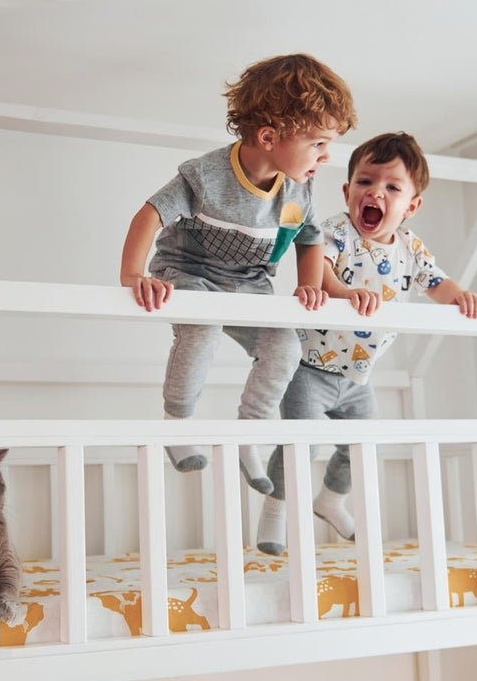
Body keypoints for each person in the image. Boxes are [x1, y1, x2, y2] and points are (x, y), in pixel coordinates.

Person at [119, 54, 356, 494]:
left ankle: (249, 434)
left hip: (249, 283)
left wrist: (309, 283)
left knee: (285, 344)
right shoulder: (207, 176)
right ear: (268, 136)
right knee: (202, 329)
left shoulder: (296, 188)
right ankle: (178, 423)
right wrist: (133, 275)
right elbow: (150, 214)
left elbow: (308, 237)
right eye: (319, 144)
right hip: (190, 270)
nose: (326, 157)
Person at [255, 132, 477, 553]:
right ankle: (275, 511)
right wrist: (343, 293)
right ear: (347, 191)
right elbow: (317, 266)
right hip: (310, 367)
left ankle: (330, 500)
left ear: (411, 206)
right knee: (300, 447)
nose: (375, 192)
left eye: (392, 187)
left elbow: (436, 282)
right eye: (365, 182)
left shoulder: (411, 247)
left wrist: (460, 296)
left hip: (358, 375)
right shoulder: (337, 230)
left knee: (362, 447)